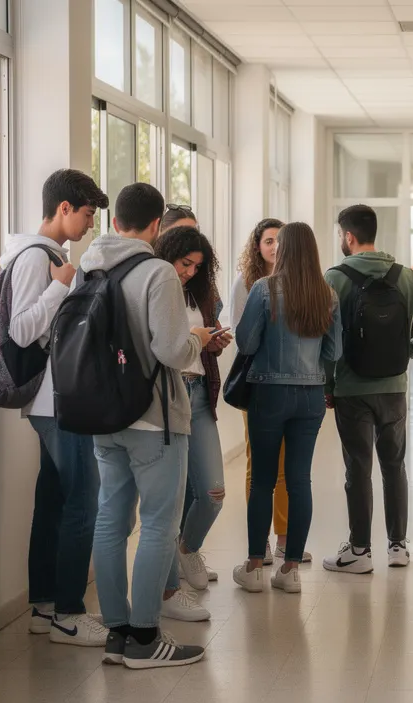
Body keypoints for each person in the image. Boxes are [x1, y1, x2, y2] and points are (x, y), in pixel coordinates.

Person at [85, 183, 214, 669]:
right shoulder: (157, 272)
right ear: (157, 225)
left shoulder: (90, 266)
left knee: (110, 520)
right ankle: (144, 637)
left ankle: (117, 633)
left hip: (103, 414)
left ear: (115, 221)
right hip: (154, 418)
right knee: (160, 523)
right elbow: (172, 351)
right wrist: (198, 337)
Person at [5, 169, 110, 647]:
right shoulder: (35, 257)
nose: (90, 224)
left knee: (52, 501)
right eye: (87, 213)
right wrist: (61, 286)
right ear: (64, 208)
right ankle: (69, 613)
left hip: (55, 399)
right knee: (83, 500)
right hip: (55, 400)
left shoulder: (49, 255)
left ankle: (44, 607)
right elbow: (21, 330)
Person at [322, 204, 413, 574]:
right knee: (394, 466)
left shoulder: (335, 277)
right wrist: (409, 351)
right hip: (393, 387)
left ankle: (359, 551)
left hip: (351, 389)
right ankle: (397, 546)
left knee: (358, 469)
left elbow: (328, 338)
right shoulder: (404, 276)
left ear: (348, 236)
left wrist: (328, 383)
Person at [231, 222, 342, 594]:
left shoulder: (264, 289)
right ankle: (290, 568)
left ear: (284, 249)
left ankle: (253, 567)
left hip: (268, 394)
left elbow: (246, 343)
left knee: (262, 480)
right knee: (299, 481)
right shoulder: (326, 294)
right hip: (311, 397)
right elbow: (334, 351)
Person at [152, 223, 230, 625]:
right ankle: (168, 589)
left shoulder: (198, 292)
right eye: (185, 263)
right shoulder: (154, 284)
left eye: (197, 267)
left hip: (198, 394)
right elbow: (164, 347)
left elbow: (194, 346)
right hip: (168, 395)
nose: (189, 272)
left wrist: (210, 342)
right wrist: (196, 338)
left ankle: (187, 549)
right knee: (170, 500)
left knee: (213, 492)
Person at [230, 218, 307, 564]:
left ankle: (284, 540)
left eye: (279, 240)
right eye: (268, 241)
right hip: (257, 385)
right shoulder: (247, 284)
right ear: (257, 246)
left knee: (286, 469)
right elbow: (241, 336)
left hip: (290, 384)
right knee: (258, 466)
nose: (275, 247)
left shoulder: (299, 283)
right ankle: (258, 543)